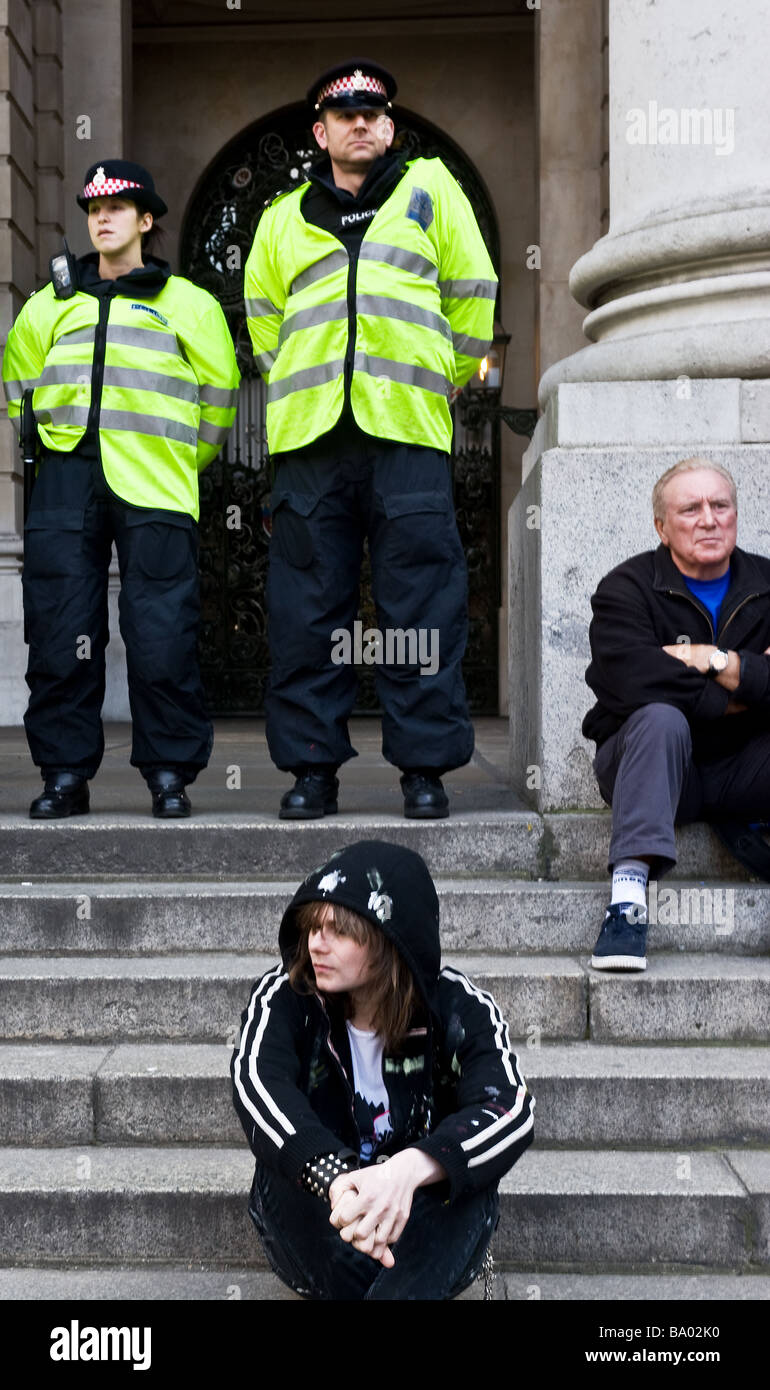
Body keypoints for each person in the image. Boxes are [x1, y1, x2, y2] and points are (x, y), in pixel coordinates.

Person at [244, 59, 498, 820]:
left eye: (375, 112)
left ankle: (423, 769)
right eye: (345, 113)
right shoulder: (281, 218)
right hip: (311, 441)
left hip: (407, 431)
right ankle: (311, 770)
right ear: (320, 133)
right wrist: (302, 382)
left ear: (390, 127)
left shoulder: (432, 192)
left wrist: (439, 376)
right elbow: (264, 327)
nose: (361, 122)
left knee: (420, 606)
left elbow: (473, 294)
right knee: (304, 613)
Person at [3, 160, 240, 818]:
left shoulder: (187, 305)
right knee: (59, 630)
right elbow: (17, 385)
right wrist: (50, 447)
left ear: (145, 221)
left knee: (162, 633)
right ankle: (63, 774)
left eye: (118, 207)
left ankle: (168, 771)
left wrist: (176, 460)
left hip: (157, 483)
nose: (101, 218)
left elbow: (218, 401)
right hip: (66, 482)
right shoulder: (50, 302)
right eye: (93, 208)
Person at [231, 839, 534, 1301]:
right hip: (324, 1213)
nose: (316, 944)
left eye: (339, 931)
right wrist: (335, 1179)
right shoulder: (287, 994)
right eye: (313, 927)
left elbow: (509, 1110)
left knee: (468, 1182)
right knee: (280, 1166)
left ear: (389, 940)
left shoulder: (458, 1007)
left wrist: (408, 1171)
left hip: (420, 1217)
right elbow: (257, 1083)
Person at [583, 456, 770, 970]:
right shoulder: (625, 589)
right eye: (691, 508)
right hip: (652, 764)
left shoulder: (767, 582)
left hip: (745, 766)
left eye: (720, 505)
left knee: (669, 706)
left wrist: (709, 658)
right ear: (662, 527)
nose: (708, 519)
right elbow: (631, 679)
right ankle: (626, 904)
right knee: (660, 717)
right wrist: (742, 690)